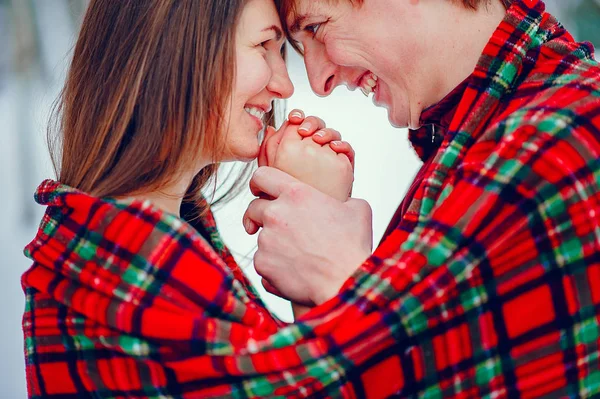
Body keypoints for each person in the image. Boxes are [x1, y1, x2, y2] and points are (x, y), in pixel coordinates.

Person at [243, 0, 600, 396]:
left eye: (315, 27)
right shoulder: (473, 145)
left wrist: (339, 275)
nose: (317, 80)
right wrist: (316, 268)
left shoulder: (560, 143)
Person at [21, 0, 356, 397]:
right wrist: (330, 250)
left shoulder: (112, 240)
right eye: (265, 46)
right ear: (179, 48)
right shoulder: (147, 270)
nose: (284, 84)